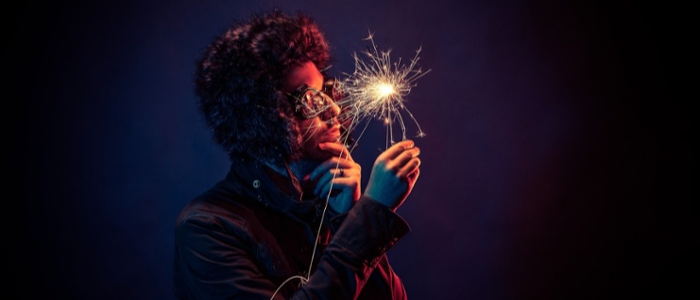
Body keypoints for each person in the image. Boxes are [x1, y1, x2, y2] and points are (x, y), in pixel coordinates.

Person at [173, 10, 422, 300]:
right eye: (309, 99)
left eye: (325, 90)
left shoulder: (325, 202)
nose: (334, 109)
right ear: (265, 120)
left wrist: (347, 218)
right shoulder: (208, 228)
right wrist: (369, 215)